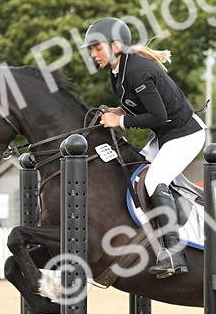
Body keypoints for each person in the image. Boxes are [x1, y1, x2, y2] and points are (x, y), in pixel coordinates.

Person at [82, 16, 208, 277]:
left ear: (115, 46)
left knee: (153, 181)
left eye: (97, 47)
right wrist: (119, 111)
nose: (93, 54)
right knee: (134, 170)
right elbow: (139, 106)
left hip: (185, 134)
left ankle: (175, 254)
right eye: (92, 49)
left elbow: (158, 116)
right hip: (166, 135)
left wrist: (121, 120)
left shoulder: (137, 70)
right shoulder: (118, 73)